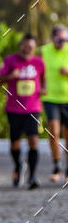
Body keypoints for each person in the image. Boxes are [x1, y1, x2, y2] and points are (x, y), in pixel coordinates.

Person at [0, 34, 45, 188]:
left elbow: (43, 79)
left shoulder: (39, 63)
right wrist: (10, 76)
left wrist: (43, 89)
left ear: (34, 48)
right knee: (15, 144)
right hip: (14, 108)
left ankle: (32, 176)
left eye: (30, 47)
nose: (27, 49)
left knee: (33, 141)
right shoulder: (10, 60)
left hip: (33, 108)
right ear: (20, 46)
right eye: (25, 46)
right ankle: (18, 166)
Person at [40, 24, 68, 182]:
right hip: (50, 97)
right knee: (54, 132)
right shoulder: (43, 51)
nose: (62, 42)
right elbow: (37, 70)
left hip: (67, 98)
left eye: (64, 39)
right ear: (52, 38)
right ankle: (57, 166)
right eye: (59, 39)